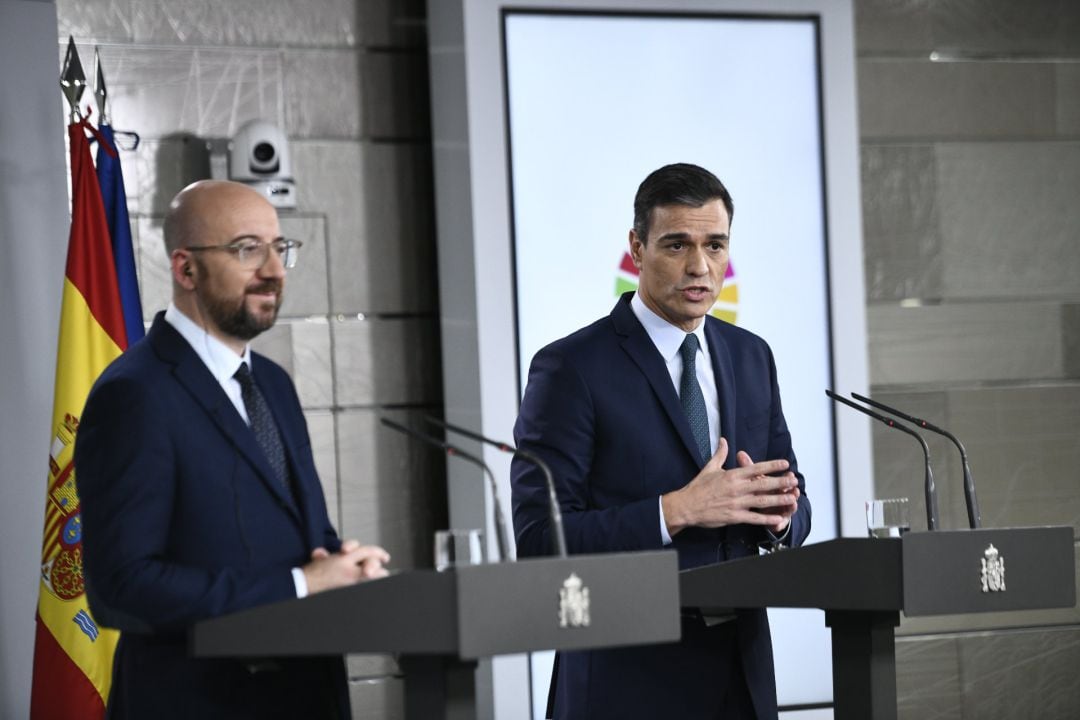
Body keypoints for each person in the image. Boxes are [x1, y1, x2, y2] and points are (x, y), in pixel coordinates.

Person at [77, 180, 390, 719]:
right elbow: (121, 587)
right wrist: (298, 584)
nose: (274, 270)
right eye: (247, 249)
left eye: (279, 247)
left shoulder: (272, 383)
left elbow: (297, 533)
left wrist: (339, 564)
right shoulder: (135, 394)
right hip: (198, 703)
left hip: (306, 696)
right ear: (185, 269)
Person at [511, 163, 811, 719]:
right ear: (636, 247)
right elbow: (538, 539)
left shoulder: (751, 357)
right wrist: (672, 511)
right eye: (677, 244)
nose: (700, 266)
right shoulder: (571, 368)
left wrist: (782, 516)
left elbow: (794, 496)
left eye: (716, 245)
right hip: (626, 683)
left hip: (741, 677)